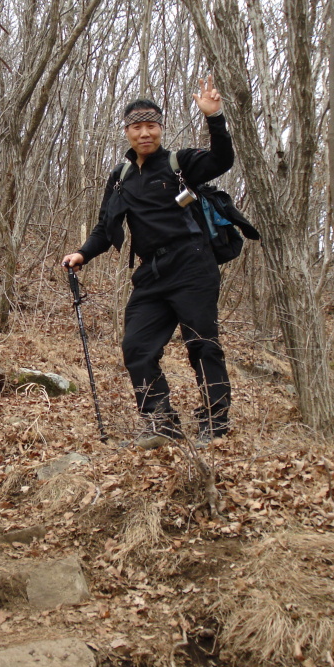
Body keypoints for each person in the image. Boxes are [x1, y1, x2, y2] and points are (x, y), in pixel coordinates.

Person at [62, 77, 235, 449]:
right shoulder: (121, 177)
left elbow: (222, 160)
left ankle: (215, 423)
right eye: (137, 127)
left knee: (202, 344)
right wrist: (82, 253)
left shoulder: (180, 163)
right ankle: (161, 422)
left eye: (151, 126)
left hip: (192, 265)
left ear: (160, 129)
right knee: (137, 347)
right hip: (152, 273)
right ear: (126, 132)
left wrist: (215, 117)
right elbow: (105, 228)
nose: (145, 133)